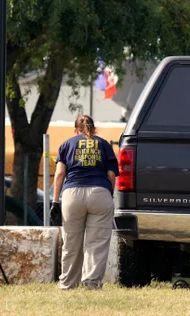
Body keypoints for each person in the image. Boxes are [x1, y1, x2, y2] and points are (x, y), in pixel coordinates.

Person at [50, 114, 119, 290]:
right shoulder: (104, 145)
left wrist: (55, 201)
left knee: (71, 241)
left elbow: (59, 175)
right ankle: (91, 284)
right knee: (96, 243)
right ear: (95, 129)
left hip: (72, 194)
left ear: (76, 130)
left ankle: (67, 284)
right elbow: (111, 175)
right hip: (99, 192)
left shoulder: (66, 145)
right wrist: (108, 194)